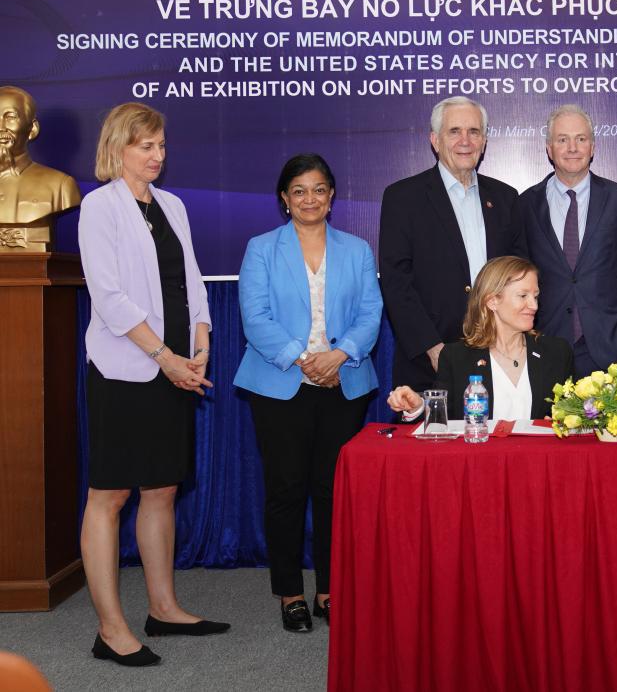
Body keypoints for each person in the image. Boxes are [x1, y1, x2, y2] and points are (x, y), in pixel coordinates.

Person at [77, 103, 227, 668]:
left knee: (162, 487)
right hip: (126, 369)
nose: (158, 156)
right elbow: (110, 298)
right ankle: (110, 628)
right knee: (110, 495)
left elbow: (191, 281)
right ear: (119, 148)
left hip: (174, 365)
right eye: (147, 146)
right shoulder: (99, 207)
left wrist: (202, 340)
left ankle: (162, 608)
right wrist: (165, 355)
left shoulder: (172, 206)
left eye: (162, 146)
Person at [234, 153, 383, 633]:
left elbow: (370, 313)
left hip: (344, 382)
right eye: (299, 190)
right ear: (284, 198)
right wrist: (305, 360)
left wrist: (339, 357)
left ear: (332, 195)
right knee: (286, 490)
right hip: (280, 385)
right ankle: (291, 594)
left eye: (319, 189)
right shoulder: (261, 248)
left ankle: (329, 591)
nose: (310, 199)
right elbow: (255, 317)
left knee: (332, 491)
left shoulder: (357, 249)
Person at [379, 97, 524, 395]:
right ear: (435, 140)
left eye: (474, 132)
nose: (465, 141)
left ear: (484, 141)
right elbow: (397, 283)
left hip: (498, 355)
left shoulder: (507, 198)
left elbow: (518, 276)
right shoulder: (403, 198)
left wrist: (509, 342)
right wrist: (432, 348)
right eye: (454, 131)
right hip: (428, 360)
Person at [517, 104, 617, 376]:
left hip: (612, 351)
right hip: (545, 348)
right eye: (562, 140)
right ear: (549, 148)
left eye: (581, 139)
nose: (572, 148)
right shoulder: (525, 205)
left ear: (592, 147)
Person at [388, 256, 573, 420]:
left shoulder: (556, 353)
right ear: (492, 301)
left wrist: (567, 421)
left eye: (536, 296)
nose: (533, 305)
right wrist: (418, 406)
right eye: (523, 296)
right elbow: (442, 420)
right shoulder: (456, 358)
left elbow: (574, 417)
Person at [0, 84, 81, 250]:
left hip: (36, 271)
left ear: (32, 129)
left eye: (10, 117)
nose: (1, 127)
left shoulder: (61, 187)